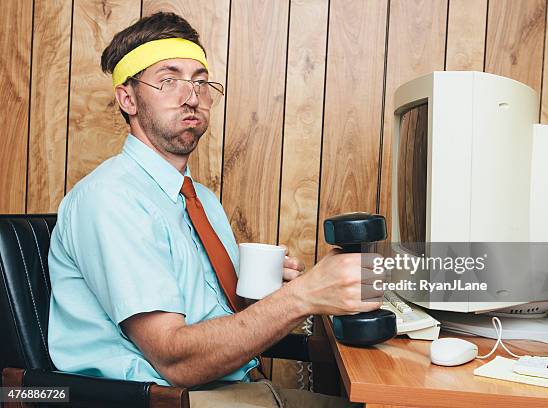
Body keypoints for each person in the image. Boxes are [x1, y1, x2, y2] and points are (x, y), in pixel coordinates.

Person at [47, 11, 380, 408]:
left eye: (201, 82)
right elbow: (176, 359)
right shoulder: (110, 199)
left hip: (232, 387)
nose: (192, 96)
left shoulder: (199, 198)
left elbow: (215, 321)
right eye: (169, 80)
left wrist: (270, 294)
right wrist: (302, 298)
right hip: (169, 398)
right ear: (128, 98)